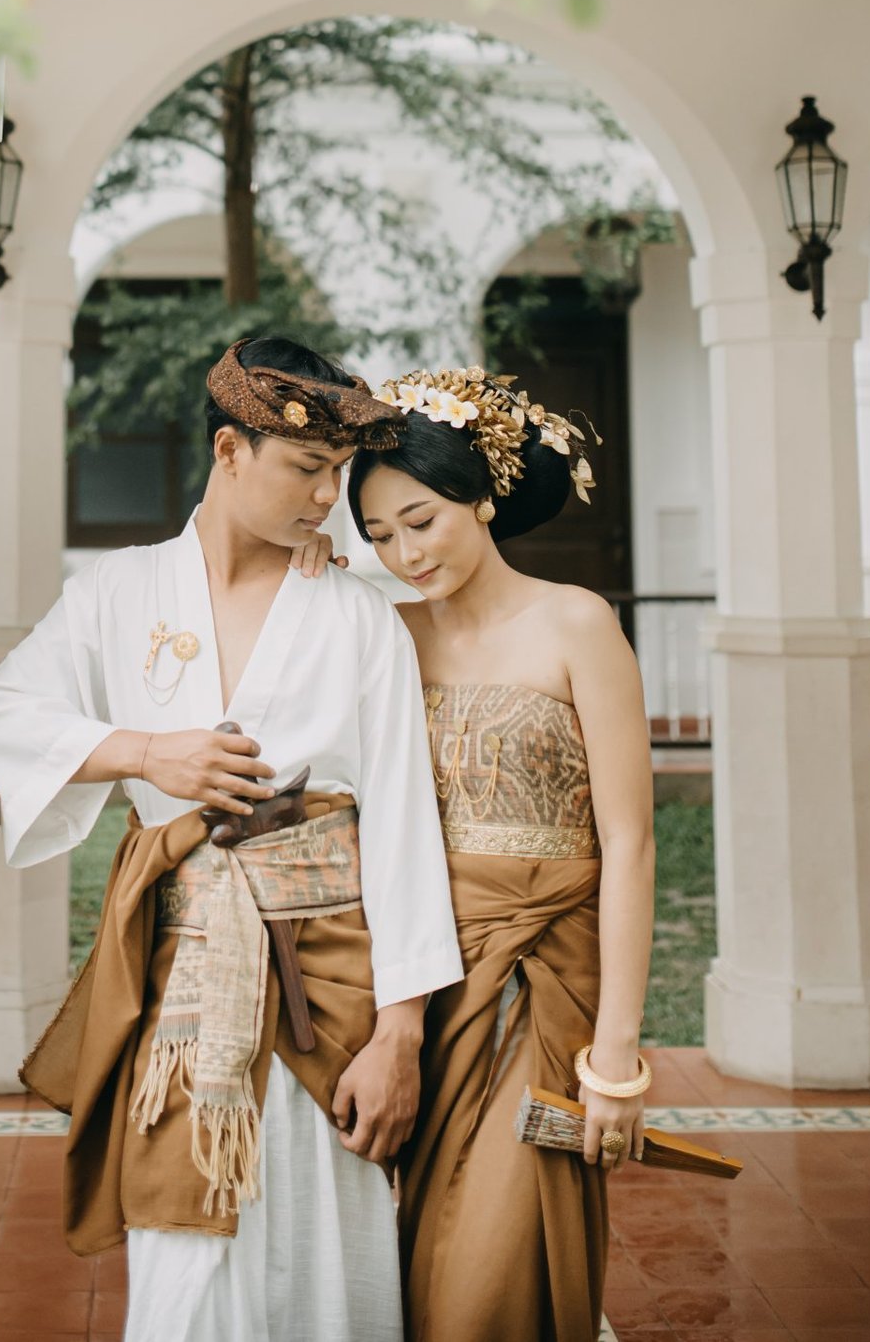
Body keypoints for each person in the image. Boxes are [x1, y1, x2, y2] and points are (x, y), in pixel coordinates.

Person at [0, 334, 461, 1342]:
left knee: (328, 1260)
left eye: (337, 471)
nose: (326, 497)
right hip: (184, 991)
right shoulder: (119, 592)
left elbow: (406, 825)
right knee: (184, 1274)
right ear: (230, 450)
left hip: (330, 991)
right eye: (306, 468)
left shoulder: (357, 617)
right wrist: (147, 752)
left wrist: (400, 1036)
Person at [350, 365, 655, 1342]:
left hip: (543, 990)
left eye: (421, 520)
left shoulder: (575, 622)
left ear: (480, 497)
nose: (404, 553)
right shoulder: (385, 638)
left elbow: (630, 842)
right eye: (378, 535)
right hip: (428, 984)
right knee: (417, 1259)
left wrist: (615, 1056)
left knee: (490, 1274)